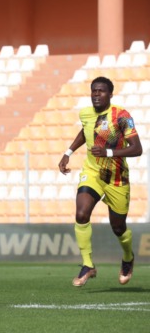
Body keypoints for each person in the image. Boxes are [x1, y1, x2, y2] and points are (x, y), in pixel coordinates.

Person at [59, 76, 142, 287]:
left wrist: (108, 151)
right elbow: (85, 132)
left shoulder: (121, 116)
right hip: (93, 171)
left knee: (118, 227)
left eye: (101, 91)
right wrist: (68, 152)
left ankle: (128, 257)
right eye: (93, 91)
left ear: (110, 94)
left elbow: (136, 148)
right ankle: (88, 264)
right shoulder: (85, 113)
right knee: (81, 213)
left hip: (116, 177)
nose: (96, 94)